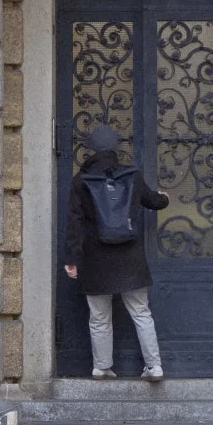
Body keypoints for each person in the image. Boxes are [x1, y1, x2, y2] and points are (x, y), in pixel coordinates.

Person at [64, 123, 169, 381]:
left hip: (95, 258)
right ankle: (154, 366)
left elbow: (74, 223)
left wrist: (72, 258)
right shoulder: (131, 175)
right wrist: (164, 198)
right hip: (129, 257)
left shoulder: (81, 181)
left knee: (99, 317)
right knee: (141, 313)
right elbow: (153, 201)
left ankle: (101, 367)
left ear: (91, 148)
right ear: (115, 147)